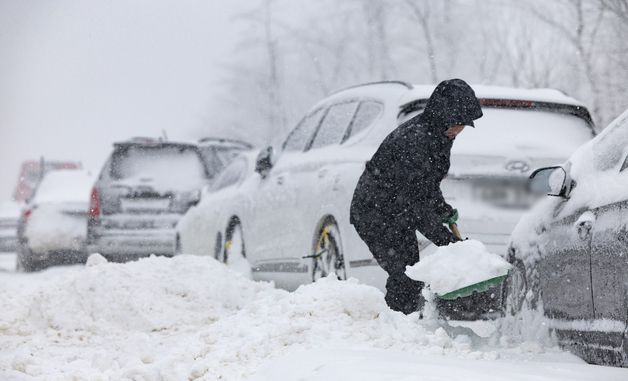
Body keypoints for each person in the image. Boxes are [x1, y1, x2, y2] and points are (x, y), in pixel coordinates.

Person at [349, 79, 483, 314]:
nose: (460, 129)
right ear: (443, 115)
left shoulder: (439, 136)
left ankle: (402, 323)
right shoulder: (414, 141)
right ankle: (397, 329)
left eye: (464, 124)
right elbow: (413, 204)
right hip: (375, 212)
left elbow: (426, 184)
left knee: (410, 272)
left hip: (396, 210)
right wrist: (448, 243)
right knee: (406, 273)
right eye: (457, 122)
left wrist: (442, 209)